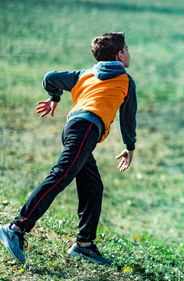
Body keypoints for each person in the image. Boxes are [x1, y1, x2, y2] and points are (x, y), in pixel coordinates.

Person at [0, 32, 137, 265]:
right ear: (120, 54)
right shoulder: (125, 80)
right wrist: (129, 146)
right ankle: (16, 227)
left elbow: (50, 77)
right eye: (128, 48)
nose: (130, 53)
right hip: (85, 131)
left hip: (74, 129)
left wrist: (54, 97)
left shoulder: (86, 73)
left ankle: (84, 245)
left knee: (93, 186)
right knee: (60, 175)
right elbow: (128, 118)